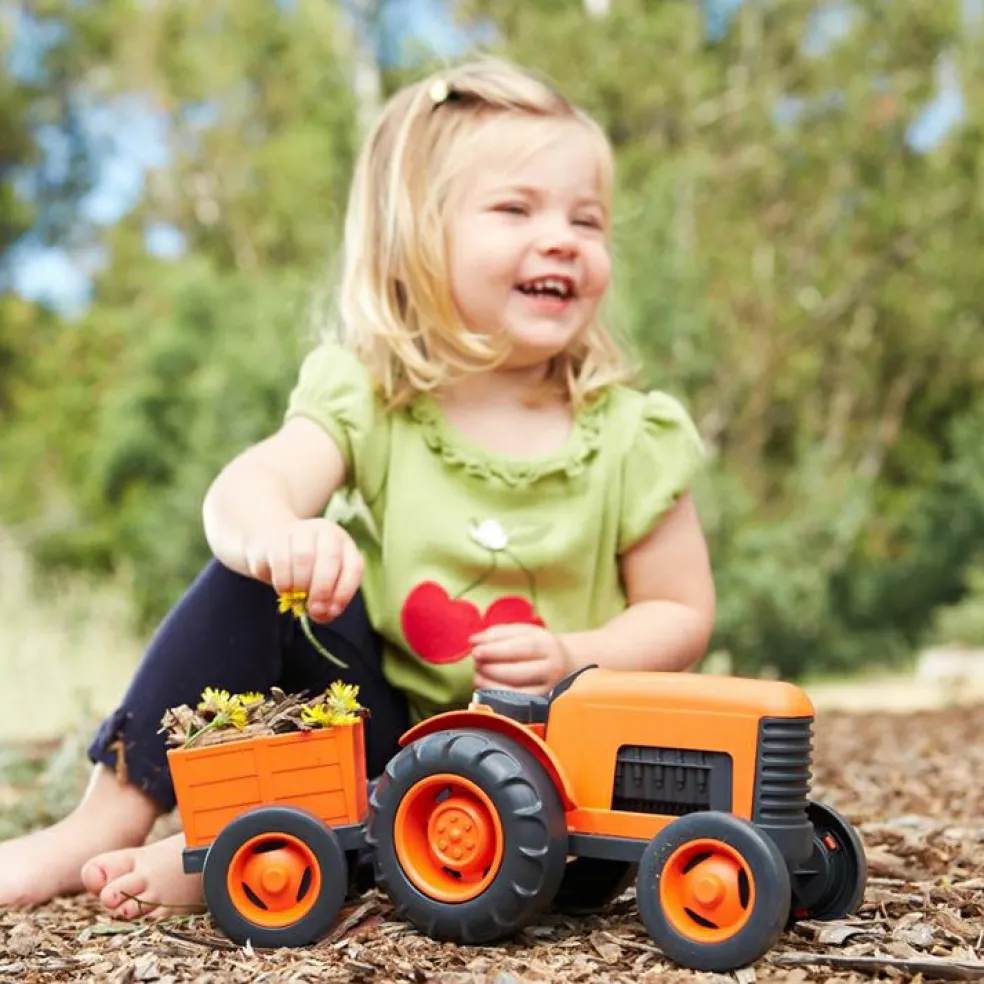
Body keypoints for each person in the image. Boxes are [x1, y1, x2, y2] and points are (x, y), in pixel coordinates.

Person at [0, 57, 715, 918]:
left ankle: (249, 855)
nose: (563, 237)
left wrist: (572, 657)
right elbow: (250, 485)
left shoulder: (634, 433)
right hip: (383, 748)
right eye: (516, 209)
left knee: (513, 840)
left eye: (588, 219)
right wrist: (276, 532)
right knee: (260, 580)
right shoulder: (375, 395)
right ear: (415, 237)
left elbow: (681, 611)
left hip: (559, 778)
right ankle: (109, 819)